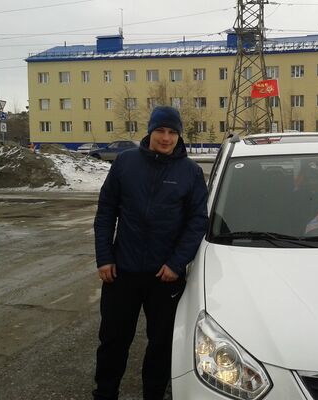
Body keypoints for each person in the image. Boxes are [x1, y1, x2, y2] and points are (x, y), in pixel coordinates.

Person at [92, 106, 209, 400]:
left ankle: (153, 395)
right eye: (160, 131)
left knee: (161, 344)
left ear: (179, 135)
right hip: (122, 272)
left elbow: (197, 222)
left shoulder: (190, 172)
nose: (166, 138)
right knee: (113, 340)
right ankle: (105, 393)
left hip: (164, 277)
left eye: (172, 132)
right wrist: (104, 257)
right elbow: (106, 211)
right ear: (150, 131)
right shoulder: (125, 163)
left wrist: (176, 263)